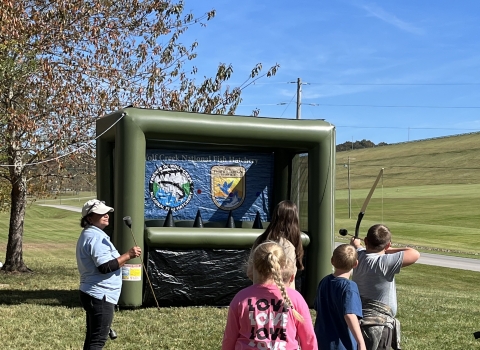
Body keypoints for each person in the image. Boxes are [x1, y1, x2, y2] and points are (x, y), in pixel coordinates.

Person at [222, 241, 317, 350]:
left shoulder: (241, 298)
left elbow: (229, 338)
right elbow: (309, 339)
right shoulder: (296, 298)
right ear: (282, 265)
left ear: (253, 265)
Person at [76, 199, 142, 350]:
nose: (106, 215)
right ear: (89, 218)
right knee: (98, 341)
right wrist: (128, 255)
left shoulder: (91, 234)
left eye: (106, 212)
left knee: (93, 337)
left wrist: (122, 260)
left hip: (93, 292)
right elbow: (104, 267)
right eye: (101, 213)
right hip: (100, 294)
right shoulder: (95, 237)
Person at [351, 224, 420, 350]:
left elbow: (359, 248)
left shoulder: (358, 256)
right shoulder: (385, 262)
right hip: (379, 326)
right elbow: (414, 253)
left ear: (366, 241)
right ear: (387, 245)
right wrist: (388, 248)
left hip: (358, 321)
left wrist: (357, 244)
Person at [313, 244, 366, 350]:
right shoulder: (349, 287)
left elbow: (318, 309)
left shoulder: (324, 281)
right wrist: (361, 343)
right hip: (342, 344)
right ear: (356, 264)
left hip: (322, 341)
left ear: (332, 261)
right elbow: (350, 315)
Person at [246, 200, 304, 289]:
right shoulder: (287, 246)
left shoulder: (261, 240)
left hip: (257, 294)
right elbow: (289, 275)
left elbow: (250, 272)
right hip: (282, 297)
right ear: (294, 220)